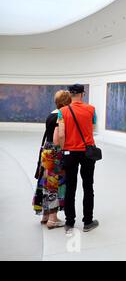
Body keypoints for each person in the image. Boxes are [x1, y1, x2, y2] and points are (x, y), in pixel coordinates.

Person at [58, 84, 99, 233]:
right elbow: (94, 130)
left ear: (70, 94)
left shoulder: (62, 111)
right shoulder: (91, 109)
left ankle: (69, 222)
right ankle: (88, 221)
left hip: (70, 152)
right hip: (87, 152)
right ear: (83, 94)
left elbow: (61, 134)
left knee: (70, 187)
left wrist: (64, 149)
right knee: (88, 186)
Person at [33, 90, 72, 230]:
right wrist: (64, 150)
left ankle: (45, 215)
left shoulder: (51, 114)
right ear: (67, 102)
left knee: (45, 182)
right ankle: (53, 219)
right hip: (55, 152)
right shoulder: (60, 116)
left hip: (46, 151)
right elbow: (57, 137)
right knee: (55, 184)